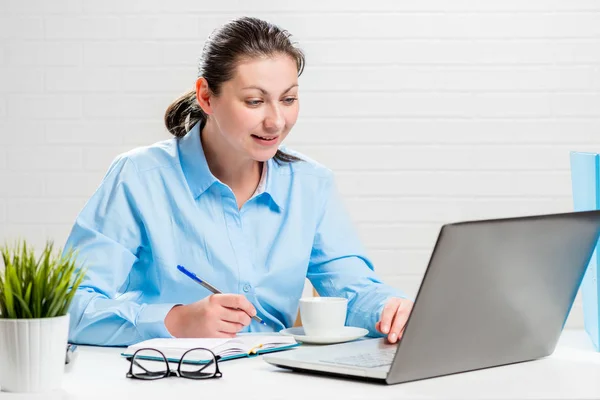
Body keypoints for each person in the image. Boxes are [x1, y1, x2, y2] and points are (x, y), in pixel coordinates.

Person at [65, 16, 413, 347]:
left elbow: (352, 289)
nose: (276, 121)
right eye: (255, 101)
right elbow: (69, 308)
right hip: (173, 379)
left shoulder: (310, 183)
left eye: (289, 99)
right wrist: (175, 321)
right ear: (206, 97)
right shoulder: (139, 178)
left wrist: (389, 309)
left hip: (281, 378)